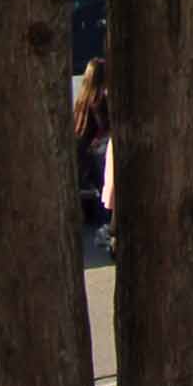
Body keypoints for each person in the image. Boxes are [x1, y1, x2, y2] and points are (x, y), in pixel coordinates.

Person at [73, 53, 116, 254]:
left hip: (83, 160)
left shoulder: (81, 101)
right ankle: (107, 226)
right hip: (94, 160)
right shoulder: (99, 101)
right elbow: (105, 131)